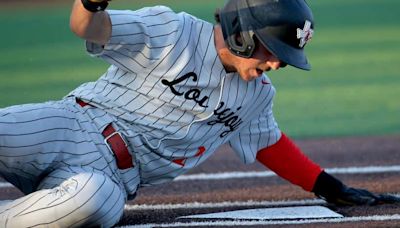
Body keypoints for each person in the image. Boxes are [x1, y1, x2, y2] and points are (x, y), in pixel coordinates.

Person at [0, 0, 398, 227]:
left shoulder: (256, 95)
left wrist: (329, 187)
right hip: (69, 126)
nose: (278, 65)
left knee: (90, 203)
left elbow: (268, 144)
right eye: (274, 51)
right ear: (243, 32)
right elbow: (88, 28)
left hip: (109, 180)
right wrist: (89, 4)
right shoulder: (172, 32)